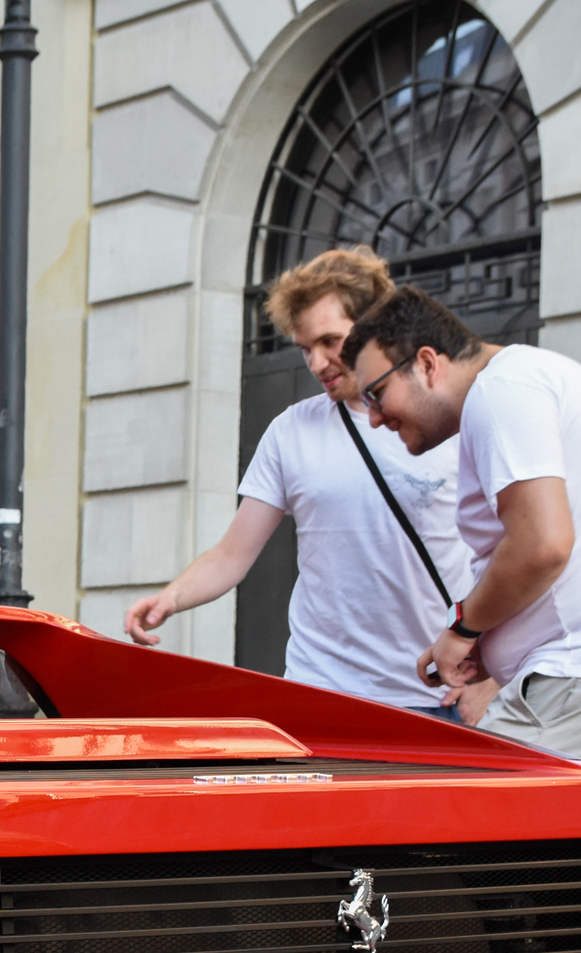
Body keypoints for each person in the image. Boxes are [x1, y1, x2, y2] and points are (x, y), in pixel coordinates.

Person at [342, 287, 581, 769]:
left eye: (376, 394)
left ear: (427, 363)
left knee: (452, 824)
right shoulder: (527, 380)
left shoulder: (503, 390)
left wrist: (464, 627)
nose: (373, 418)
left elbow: (543, 545)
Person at [125, 248, 489, 724]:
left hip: (434, 696)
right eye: (304, 348)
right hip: (321, 693)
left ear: (376, 328)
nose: (316, 363)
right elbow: (232, 554)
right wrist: (171, 597)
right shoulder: (290, 431)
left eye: (330, 341)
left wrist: (493, 678)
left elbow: (513, 554)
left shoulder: (449, 419)